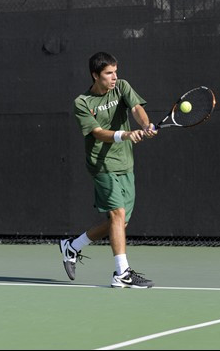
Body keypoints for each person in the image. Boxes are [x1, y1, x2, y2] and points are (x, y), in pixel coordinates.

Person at [59, 52, 158, 288]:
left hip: (125, 163)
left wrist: (145, 125)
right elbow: (97, 133)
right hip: (101, 165)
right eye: (108, 73)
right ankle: (122, 273)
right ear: (95, 75)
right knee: (117, 214)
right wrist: (125, 134)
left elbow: (136, 108)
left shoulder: (122, 86)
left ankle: (72, 246)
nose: (115, 77)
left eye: (115, 71)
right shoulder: (82, 102)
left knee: (119, 223)